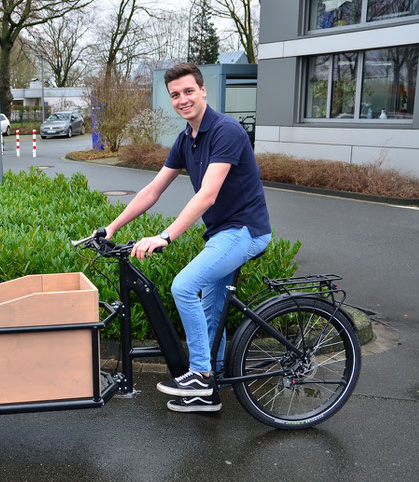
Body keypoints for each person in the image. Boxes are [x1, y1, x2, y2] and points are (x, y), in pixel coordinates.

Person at [102, 62, 271, 413]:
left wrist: (165, 236)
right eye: (175, 95)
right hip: (221, 234)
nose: (183, 99)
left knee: (183, 286)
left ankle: (200, 374)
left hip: (244, 231)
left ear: (203, 90)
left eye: (188, 91)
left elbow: (206, 195)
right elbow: (153, 190)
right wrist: (112, 227)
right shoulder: (185, 139)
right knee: (211, 312)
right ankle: (207, 392)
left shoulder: (227, 131)